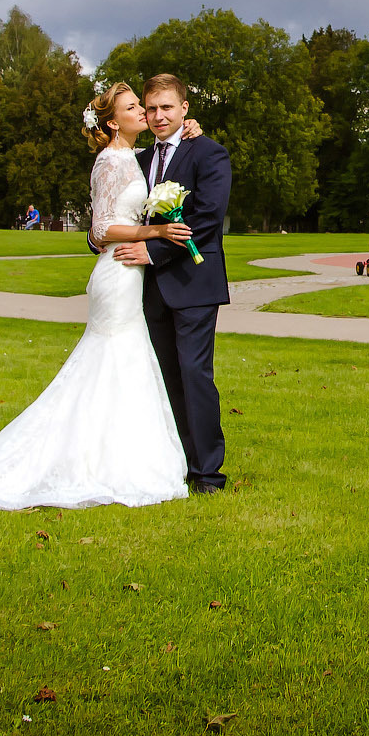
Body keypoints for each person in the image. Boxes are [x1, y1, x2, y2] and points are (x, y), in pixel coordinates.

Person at [0, 83, 192, 509]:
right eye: (133, 107)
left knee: (121, 360)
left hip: (130, 273)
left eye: (143, 105)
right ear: (113, 122)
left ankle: (118, 454)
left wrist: (189, 128)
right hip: (116, 273)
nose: (143, 112)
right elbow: (100, 231)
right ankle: (104, 462)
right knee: (114, 355)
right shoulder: (110, 163)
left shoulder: (134, 159)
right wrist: (154, 231)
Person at [108, 74, 232, 493]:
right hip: (148, 288)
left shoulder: (209, 153)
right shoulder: (137, 162)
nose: (159, 116)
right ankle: (173, 463)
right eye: (152, 108)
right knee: (163, 377)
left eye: (167, 107)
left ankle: (208, 474)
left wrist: (155, 251)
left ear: (184, 109)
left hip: (194, 282)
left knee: (194, 374)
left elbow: (209, 219)